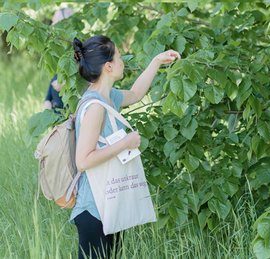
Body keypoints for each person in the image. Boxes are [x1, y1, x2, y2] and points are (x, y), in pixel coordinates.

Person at [71, 35, 180, 258]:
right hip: (94, 209)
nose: (123, 62)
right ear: (108, 66)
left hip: (109, 202)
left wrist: (157, 61)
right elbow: (82, 160)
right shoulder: (95, 106)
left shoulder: (107, 96)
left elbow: (136, 94)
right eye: (119, 57)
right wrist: (125, 144)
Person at [44, 8, 74, 110]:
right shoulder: (55, 46)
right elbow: (55, 76)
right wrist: (47, 99)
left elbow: (84, 76)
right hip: (56, 104)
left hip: (70, 107)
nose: (52, 24)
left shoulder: (76, 46)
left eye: (55, 21)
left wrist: (66, 85)